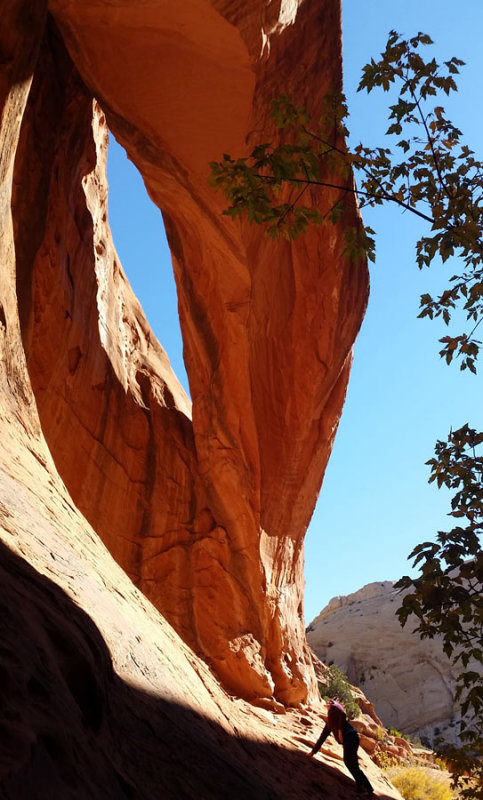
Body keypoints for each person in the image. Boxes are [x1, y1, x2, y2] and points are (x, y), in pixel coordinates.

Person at [309, 699, 375, 798]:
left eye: (329, 703)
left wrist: (340, 731)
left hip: (350, 737)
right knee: (351, 764)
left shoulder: (334, 711)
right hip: (351, 738)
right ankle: (361, 787)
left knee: (351, 764)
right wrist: (313, 752)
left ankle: (369, 791)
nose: (327, 704)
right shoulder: (329, 723)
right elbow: (322, 738)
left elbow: (342, 714)